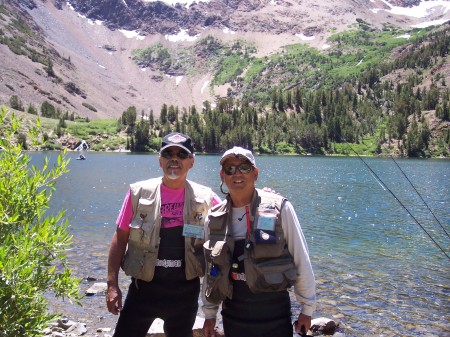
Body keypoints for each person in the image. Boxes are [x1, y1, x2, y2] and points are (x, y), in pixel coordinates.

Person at [106, 132, 220, 337]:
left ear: (191, 162)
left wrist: (263, 198)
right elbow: (120, 237)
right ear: (160, 160)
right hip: (143, 290)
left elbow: (234, 214)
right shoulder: (138, 192)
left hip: (185, 294)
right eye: (168, 153)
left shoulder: (206, 197)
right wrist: (112, 285)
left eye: (181, 155)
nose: (174, 159)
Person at [202, 146, 316, 337]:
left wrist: (307, 308)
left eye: (244, 168)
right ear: (222, 176)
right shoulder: (214, 218)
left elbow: (301, 258)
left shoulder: (281, 208)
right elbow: (210, 271)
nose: (237, 174)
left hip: (275, 318)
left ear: (255, 173)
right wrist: (209, 313)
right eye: (230, 169)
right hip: (233, 318)